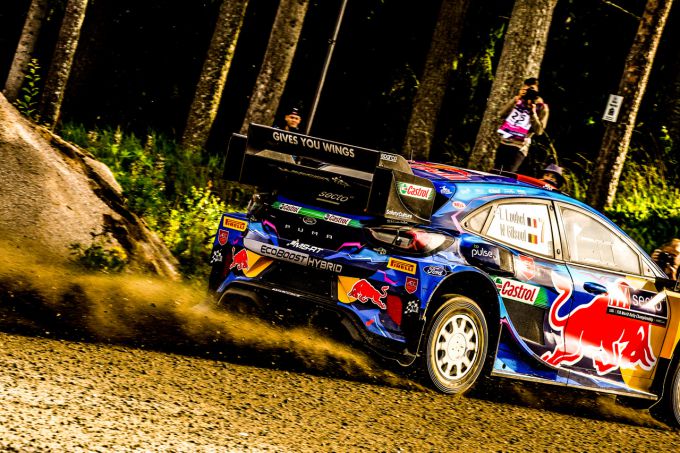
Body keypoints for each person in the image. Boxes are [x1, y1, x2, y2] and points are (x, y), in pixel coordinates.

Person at [495, 77, 550, 172]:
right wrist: (515, 100)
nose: (528, 91)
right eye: (526, 88)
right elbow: (501, 115)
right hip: (504, 142)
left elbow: (539, 131)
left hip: (520, 146)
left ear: (538, 91)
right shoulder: (518, 100)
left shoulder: (542, 107)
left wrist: (533, 113)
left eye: (531, 89)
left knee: (508, 175)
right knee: (495, 172)